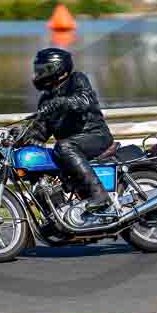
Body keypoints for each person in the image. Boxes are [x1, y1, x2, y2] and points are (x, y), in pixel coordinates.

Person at [27, 48, 114, 212]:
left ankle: (100, 194)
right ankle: (55, 214)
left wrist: (61, 102)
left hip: (95, 136)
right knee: (41, 161)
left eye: (41, 70)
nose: (37, 74)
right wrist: (21, 135)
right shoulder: (46, 99)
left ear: (56, 68)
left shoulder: (77, 79)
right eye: (37, 70)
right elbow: (41, 130)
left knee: (63, 146)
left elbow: (85, 100)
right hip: (73, 145)